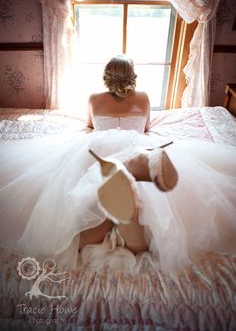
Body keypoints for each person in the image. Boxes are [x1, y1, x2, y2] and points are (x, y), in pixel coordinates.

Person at [0, 55, 236, 273]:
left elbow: (90, 125)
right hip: (134, 144)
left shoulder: (94, 99)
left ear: (107, 77)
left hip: (99, 149)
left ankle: (107, 212)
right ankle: (131, 181)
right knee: (152, 220)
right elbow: (146, 128)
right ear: (132, 76)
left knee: (77, 194)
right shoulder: (143, 98)